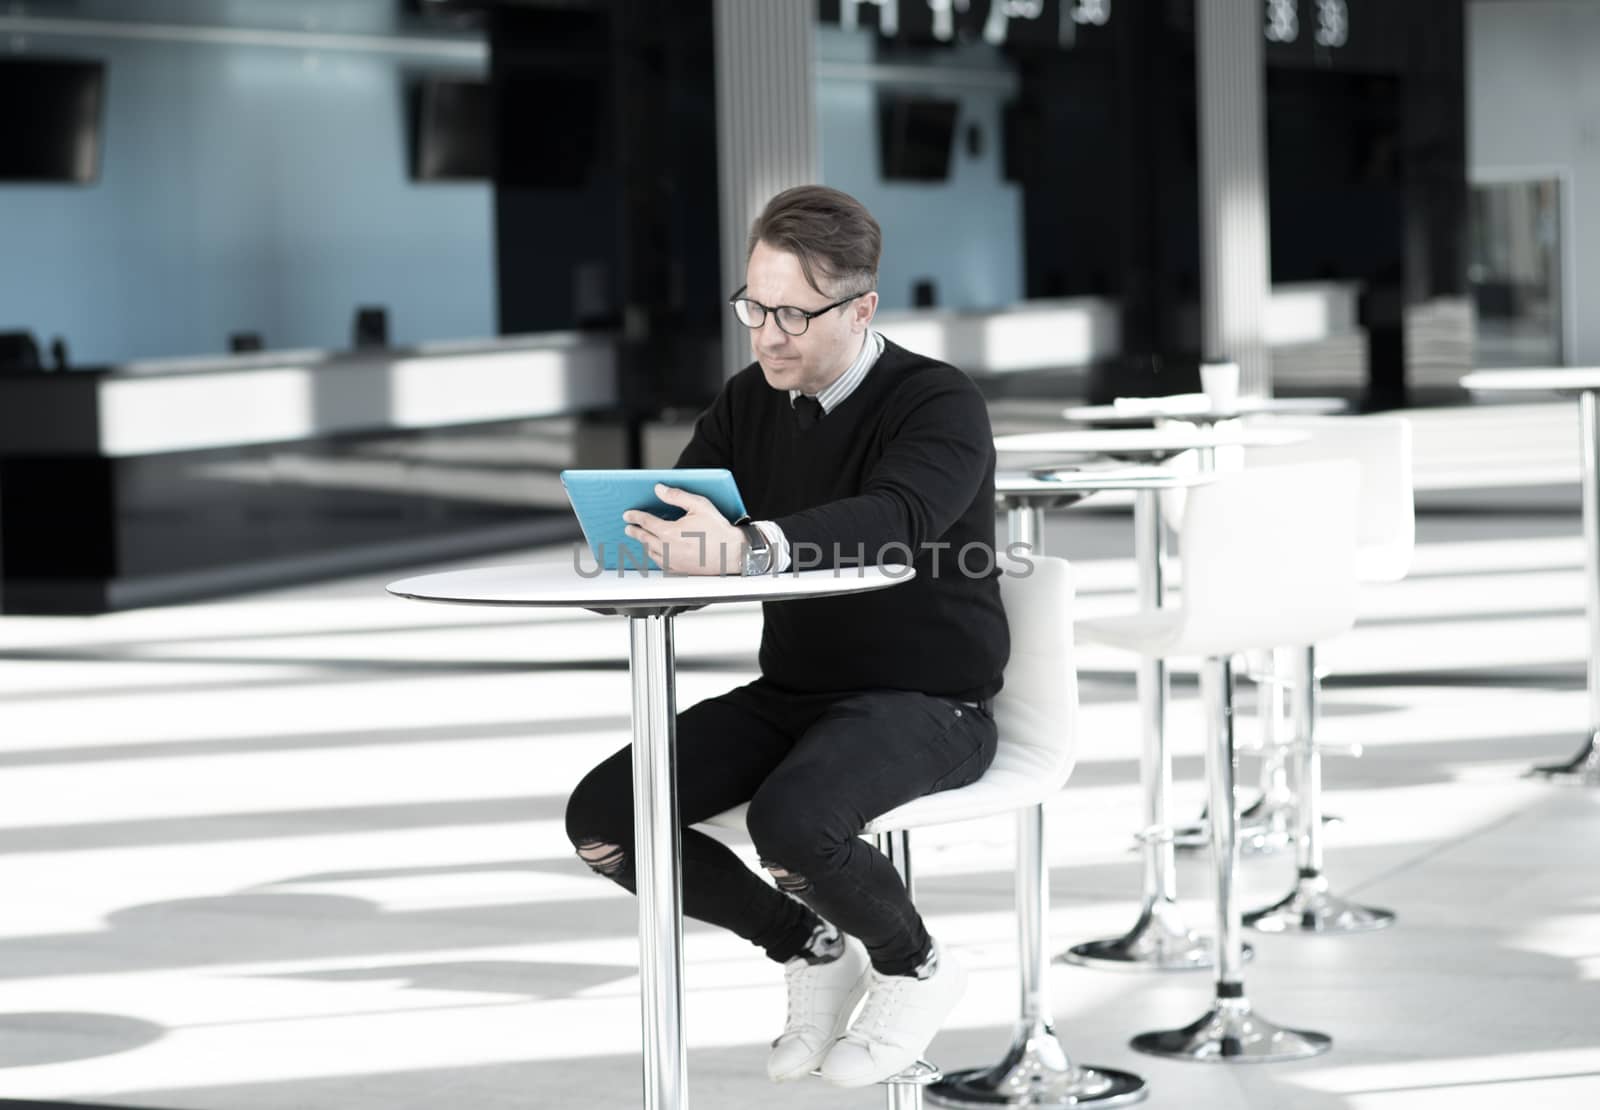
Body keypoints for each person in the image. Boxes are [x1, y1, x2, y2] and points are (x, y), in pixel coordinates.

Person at [564, 185, 1009, 1088]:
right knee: (608, 819)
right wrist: (636, 544)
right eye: (754, 308)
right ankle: (809, 945)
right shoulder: (750, 398)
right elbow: (681, 507)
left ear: (861, 308)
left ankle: (917, 965)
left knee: (792, 822)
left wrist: (750, 546)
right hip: (798, 694)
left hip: (932, 701)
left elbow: (900, 516)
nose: (768, 335)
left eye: (794, 315)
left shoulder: (936, 401)